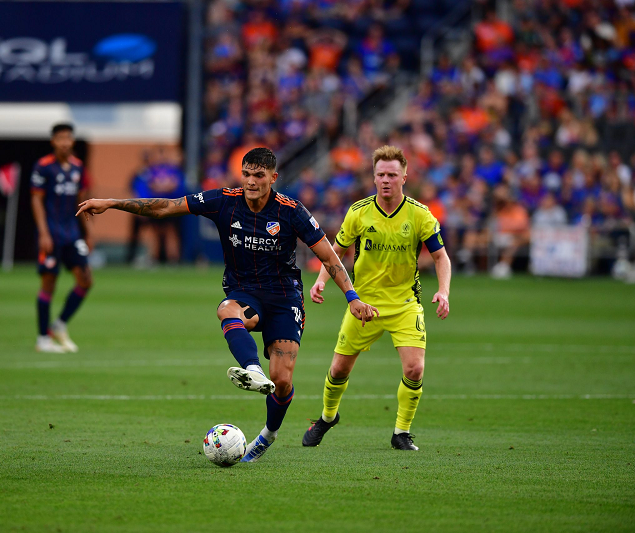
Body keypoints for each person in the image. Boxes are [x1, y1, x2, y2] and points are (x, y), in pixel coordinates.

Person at [77, 147, 378, 462]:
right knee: (226, 309)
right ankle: (252, 369)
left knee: (283, 380)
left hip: (284, 297)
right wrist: (112, 203)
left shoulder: (291, 211)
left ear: (273, 178)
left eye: (258, 176)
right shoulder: (224, 200)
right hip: (244, 291)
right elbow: (165, 207)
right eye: (246, 174)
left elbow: (328, 256)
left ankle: (269, 434)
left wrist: (352, 297)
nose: (250, 181)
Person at [302, 145, 452, 451]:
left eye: (392, 175)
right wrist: (320, 281)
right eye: (381, 174)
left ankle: (401, 433)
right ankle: (327, 417)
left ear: (405, 177)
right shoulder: (358, 212)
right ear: (373, 177)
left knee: (415, 369)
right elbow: (335, 251)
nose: (386, 180)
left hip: (404, 304)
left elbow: (441, 257)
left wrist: (443, 291)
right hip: (362, 303)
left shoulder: (420, 215)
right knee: (338, 370)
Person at [31, 123, 93, 353]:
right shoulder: (43, 167)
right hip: (51, 233)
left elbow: (83, 201)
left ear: (73, 141)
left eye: (68, 137)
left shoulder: (78, 167)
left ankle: (59, 324)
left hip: (72, 233)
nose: (65, 142)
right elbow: (36, 200)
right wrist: (44, 233)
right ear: (53, 141)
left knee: (86, 280)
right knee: (49, 282)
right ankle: (42, 339)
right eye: (60, 138)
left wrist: (89, 233)